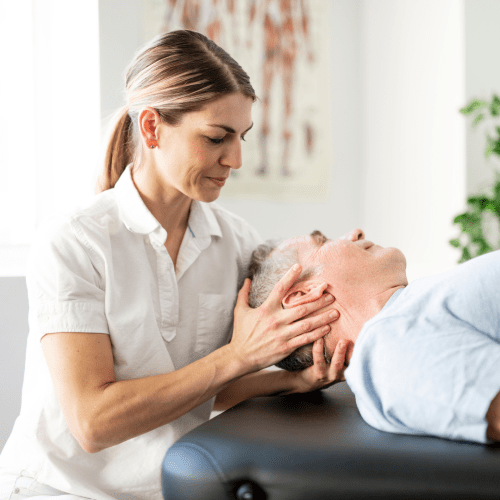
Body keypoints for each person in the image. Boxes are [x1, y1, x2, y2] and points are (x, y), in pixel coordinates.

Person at [0, 30, 346, 500]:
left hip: (164, 490)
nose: (236, 158)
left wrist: (292, 379)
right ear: (151, 128)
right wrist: (239, 355)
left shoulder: (235, 241)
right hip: (55, 490)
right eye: (215, 137)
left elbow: (204, 390)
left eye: (241, 137)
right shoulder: (74, 242)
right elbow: (92, 422)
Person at [247, 228, 500, 444]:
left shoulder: (409, 313)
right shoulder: (388, 349)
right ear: (304, 296)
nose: (356, 232)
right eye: (323, 241)